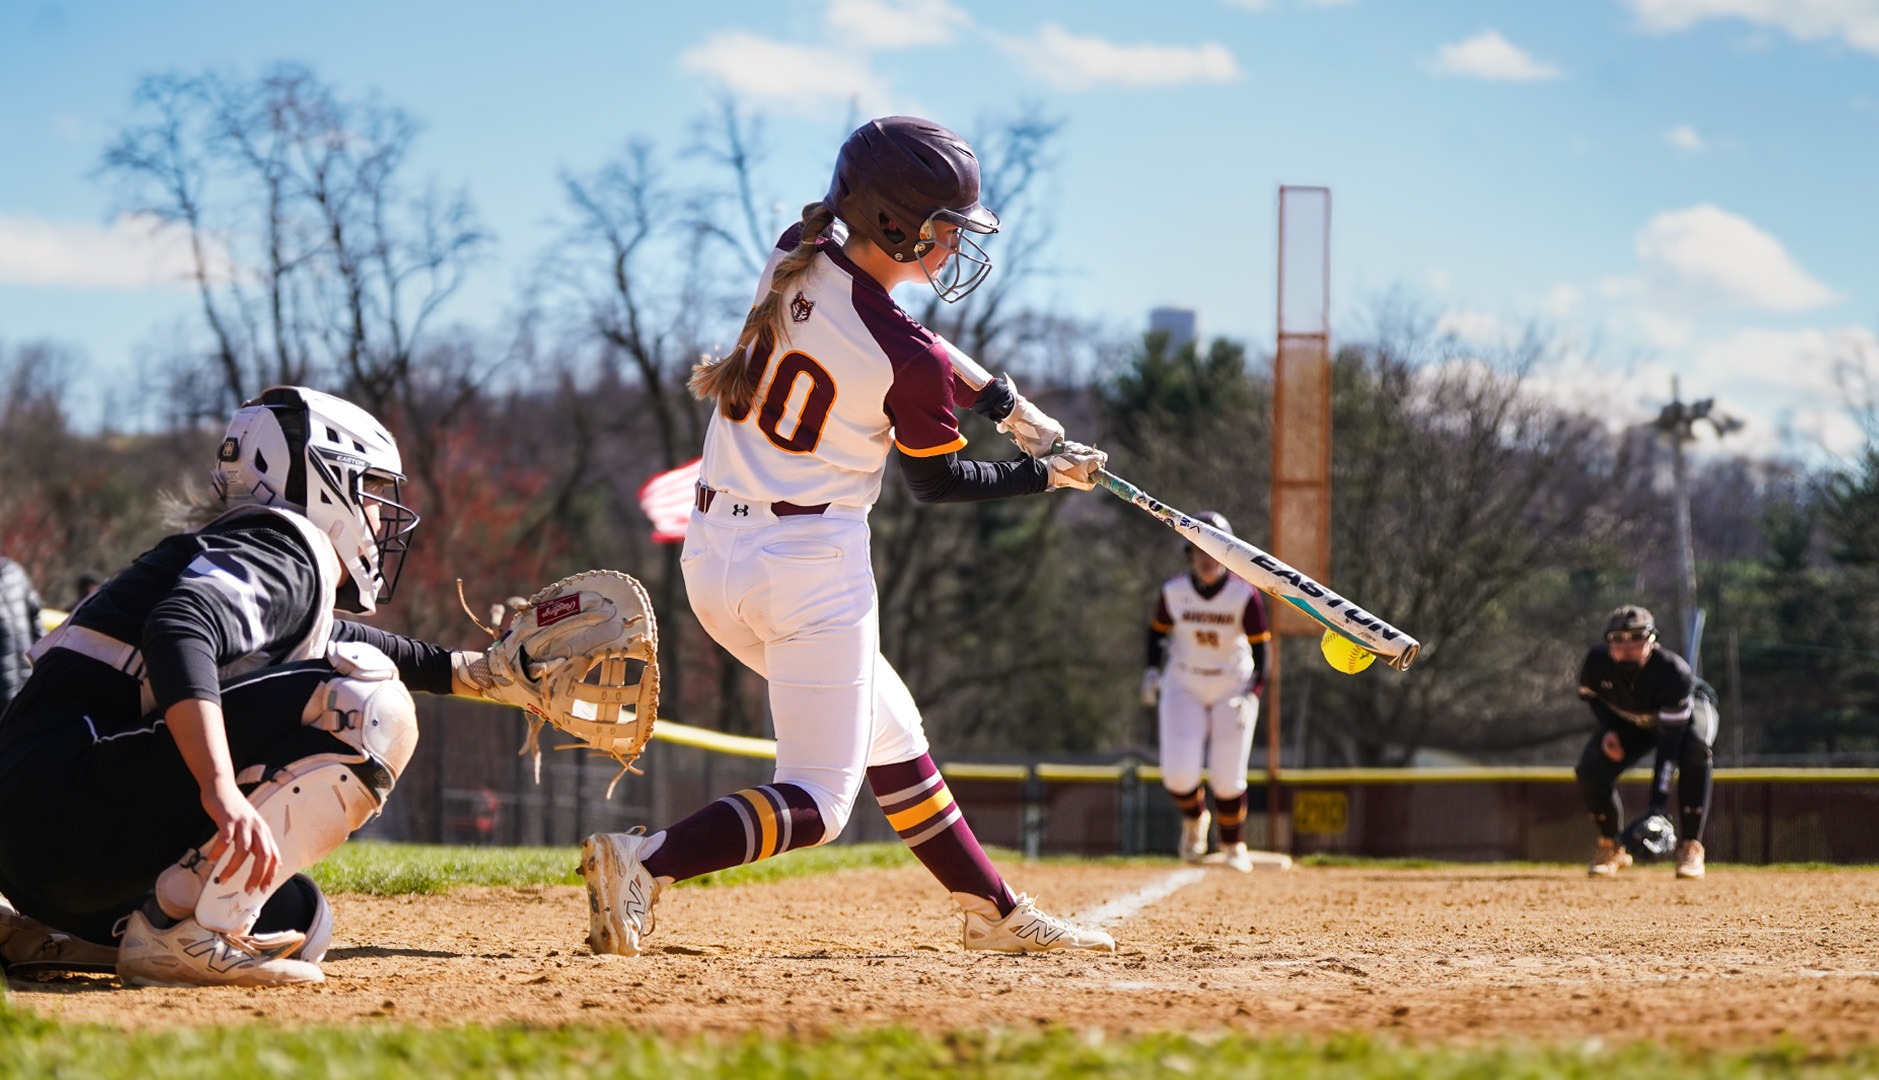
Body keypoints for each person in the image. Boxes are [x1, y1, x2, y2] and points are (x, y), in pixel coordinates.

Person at [578, 116, 1114, 956]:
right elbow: (938, 481)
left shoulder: (797, 252)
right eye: (941, 229)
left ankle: (994, 912)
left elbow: (903, 333)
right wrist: (1044, 472)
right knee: (822, 802)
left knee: (893, 730)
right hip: (809, 568)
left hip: (716, 558)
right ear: (897, 225)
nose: (951, 246)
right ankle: (645, 861)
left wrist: (1005, 407)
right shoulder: (910, 360)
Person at [0, 386, 508, 985]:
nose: (378, 518)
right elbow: (181, 625)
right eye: (370, 493)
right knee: (371, 704)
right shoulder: (289, 545)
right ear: (326, 478)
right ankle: (181, 934)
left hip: (38, 840)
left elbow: (343, 641)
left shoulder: (248, 549)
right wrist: (219, 790)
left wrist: (483, 674)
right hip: (68, 805)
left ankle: (56, 932)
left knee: (301, 918)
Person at [1141, 513, 1273, 873]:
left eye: (1214, 550)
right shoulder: (1174, 592)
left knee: (1227, 776)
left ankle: (1234, 845)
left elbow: (1262, 648)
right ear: (1188, 553)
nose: (1206, 558)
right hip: (1184, 681)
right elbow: (1156, 634)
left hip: (1233, 682)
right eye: (1199, 549)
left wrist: (1254, 691)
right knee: (1179, 775)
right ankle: (1195, 820)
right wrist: (1152, 671)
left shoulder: (1243, 595)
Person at [1575, 605, 1718, 880]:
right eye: (1618, 638)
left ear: (1653, 639)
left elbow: (1668, 747)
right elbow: (1592, 697)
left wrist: (1657, 807)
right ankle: (1610, 847)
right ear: (1607, 641)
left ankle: (1690, 847)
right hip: (1634, 719)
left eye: (1637, 636)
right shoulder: (1595, 663)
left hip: (1687, 711)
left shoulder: (1673, 672)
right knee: (1589, 771)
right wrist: (1610, 730)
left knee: (1695, 750)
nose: (1627, 645)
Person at [0, 556, 43, 710]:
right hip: (24, 689)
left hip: (23, 688)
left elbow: (37, 627)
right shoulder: (14, 571)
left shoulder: (14, 572)